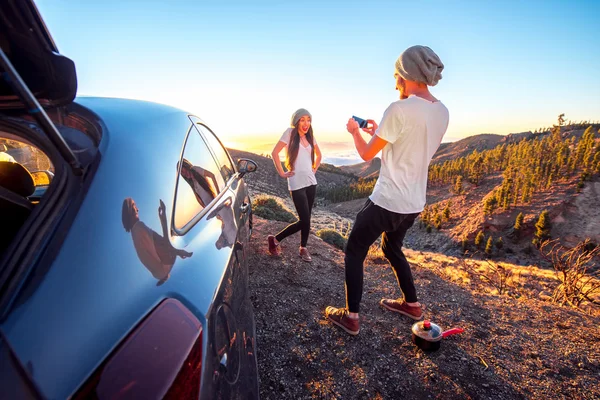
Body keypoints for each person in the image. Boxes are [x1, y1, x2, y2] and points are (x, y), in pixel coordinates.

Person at [325, 45, 449, 335]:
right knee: (392, 247)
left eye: (397, 75)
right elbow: (407, 145)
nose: (395, 82)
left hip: (388, 199)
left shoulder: (399, 108)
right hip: (414, 201)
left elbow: (368, 155)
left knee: (354, 249)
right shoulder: (442, 112)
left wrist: (356, 132)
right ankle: (412, 305)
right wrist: (378, 129)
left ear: (406, 75)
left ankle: (351, 317)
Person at [267, 108, 322, 262]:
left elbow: (319, 155)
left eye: (309, 120)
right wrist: (281, 173)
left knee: (307, 218)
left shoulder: (311, 137)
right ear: (296, 121)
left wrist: (314, 169)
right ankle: (275, 239)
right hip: (296, 182)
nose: (306, 123)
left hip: (311, 182)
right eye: (303, 119)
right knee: (304, 220)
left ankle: (303, 248)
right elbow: (275, 153)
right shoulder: (290, 133)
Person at [122, 198, 192, 285]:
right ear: (129, 211)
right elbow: (166, 245)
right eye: (134, 206)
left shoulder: (134, 234)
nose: (137, 209)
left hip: (160, 274)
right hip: (167, 267)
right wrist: (164, 219)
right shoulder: (139, 228)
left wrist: (177, 252)